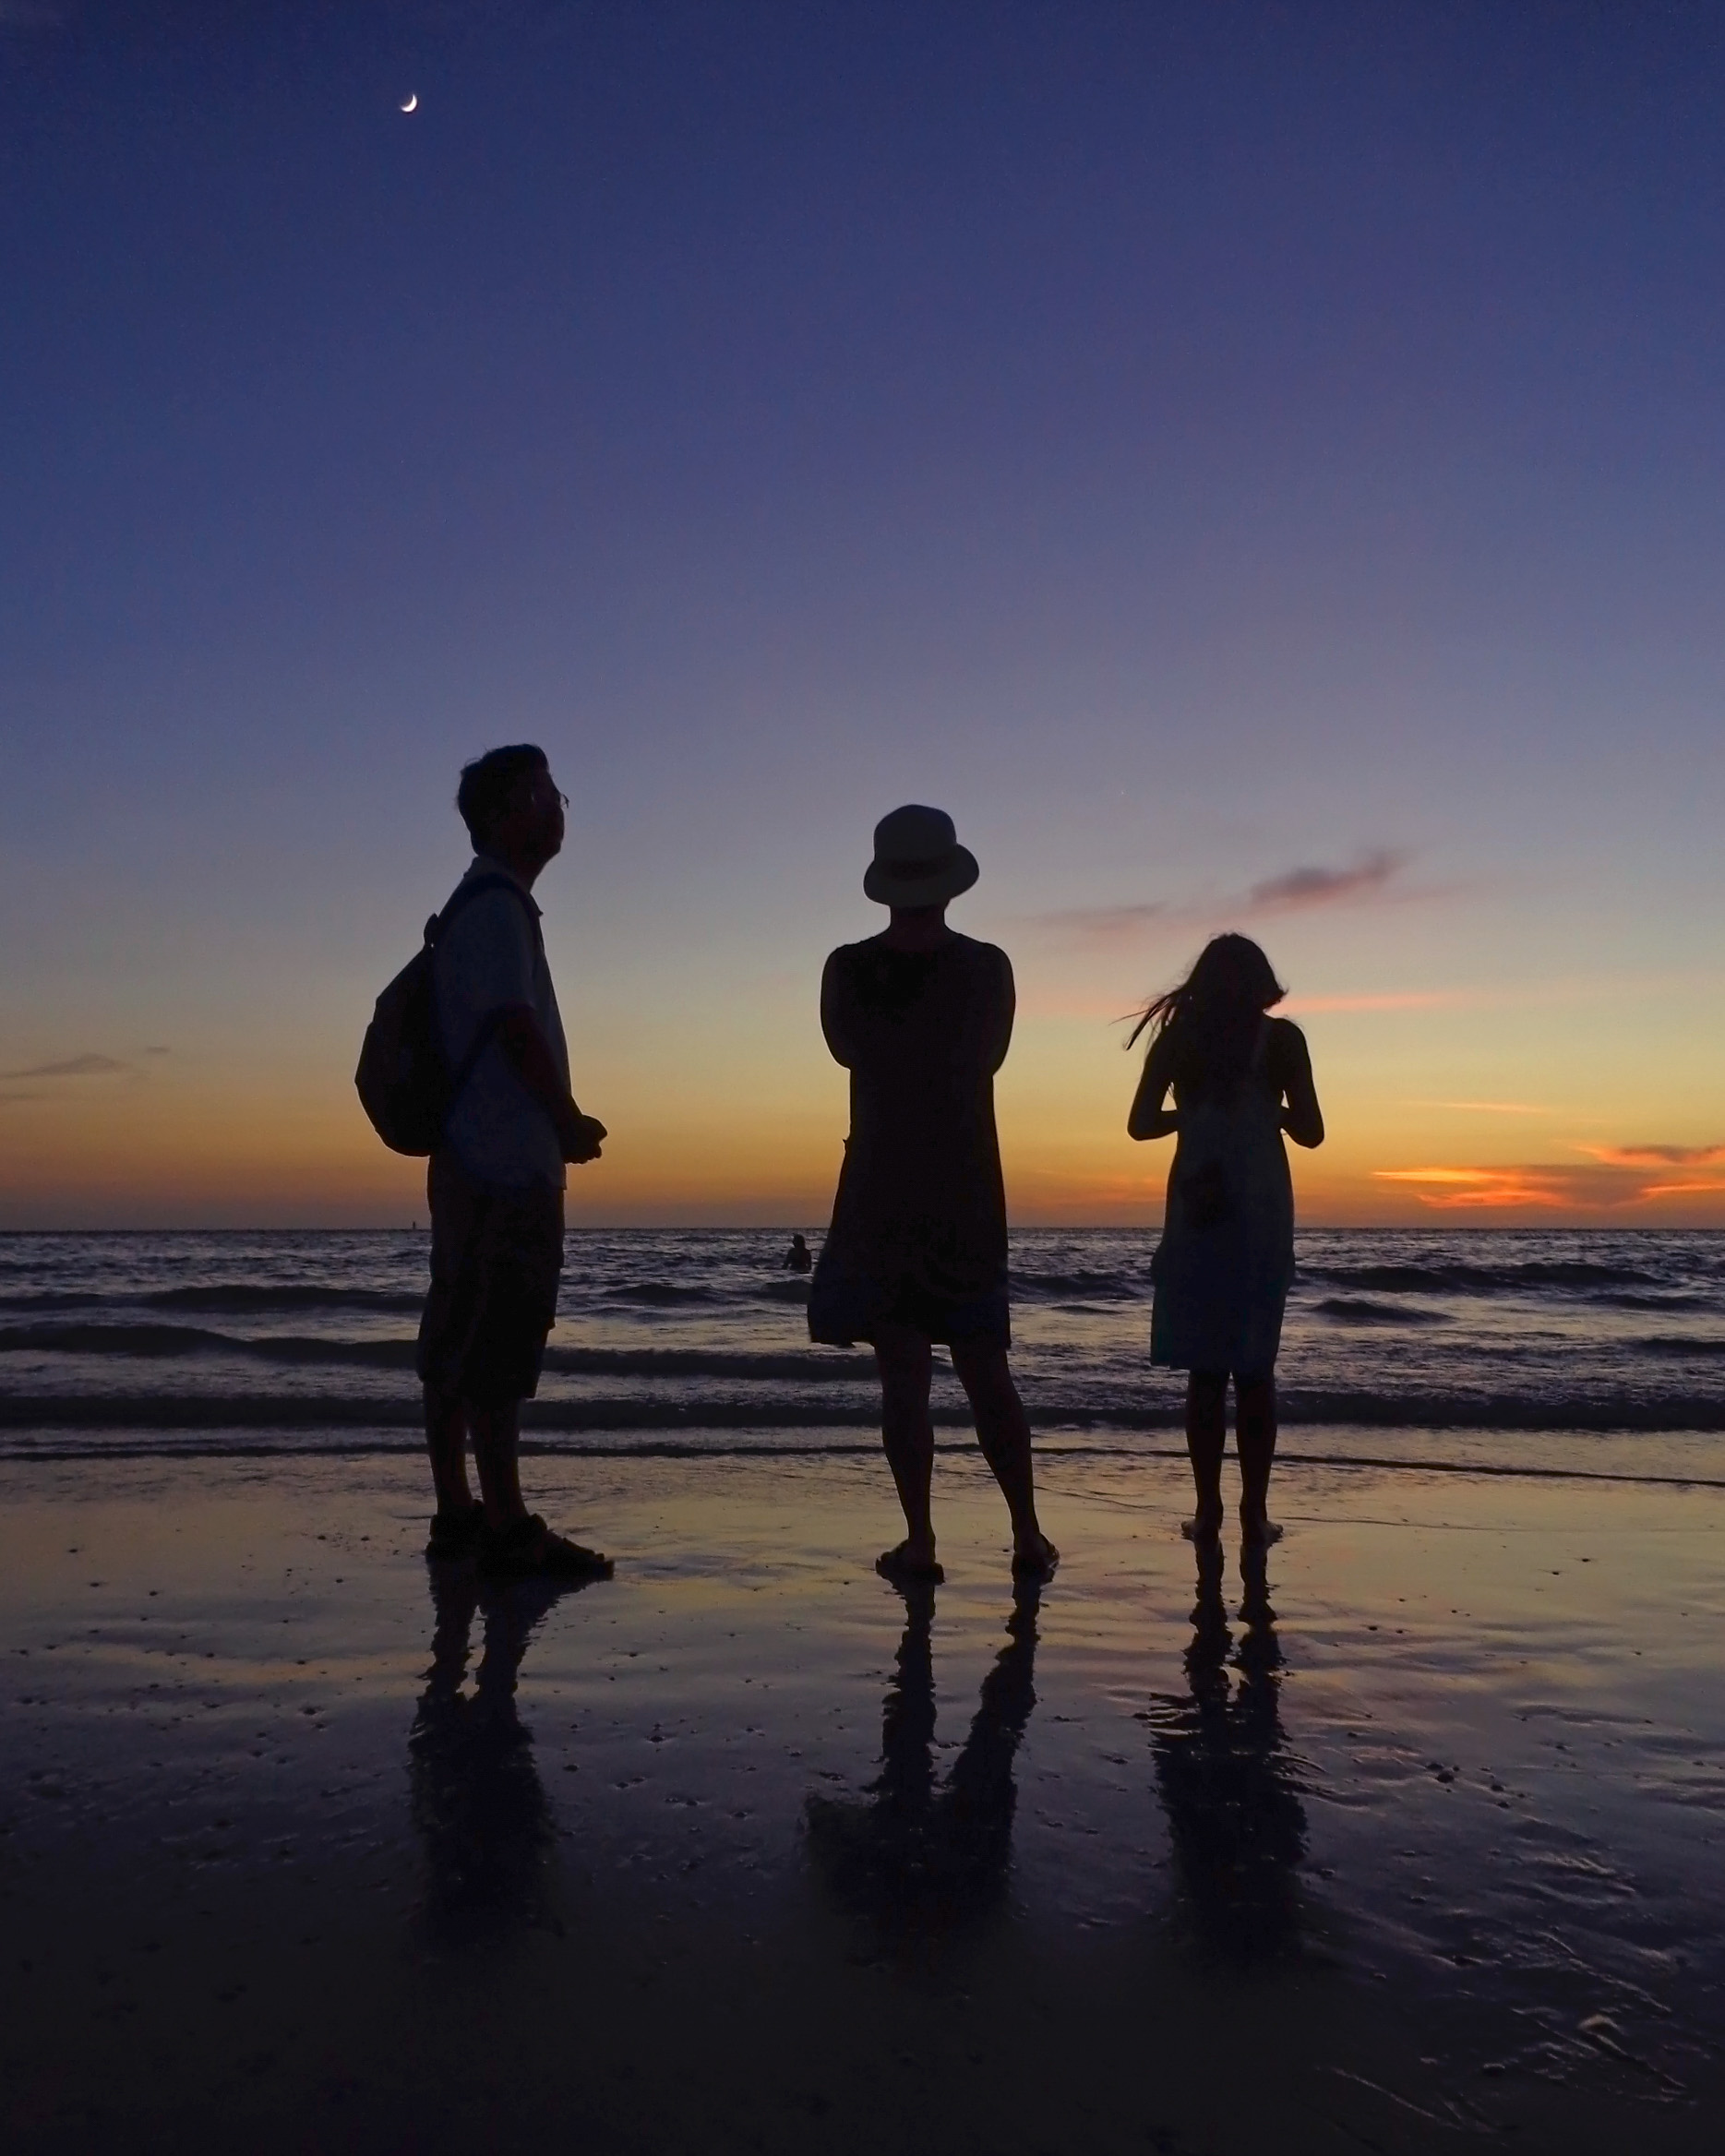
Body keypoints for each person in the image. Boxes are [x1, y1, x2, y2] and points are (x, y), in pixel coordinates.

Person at [809, 804, 1058, 1585]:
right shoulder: (987, 966)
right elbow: (991, 1057)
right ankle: (1025, 1534)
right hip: (964, 1180)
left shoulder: (847, 966)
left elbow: (844, 1049)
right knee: (987, 1368)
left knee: (902, 1375)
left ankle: (920, 1540)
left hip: (882, 1178)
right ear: (949, 880)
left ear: (885, 884)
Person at [415, 744, 613, 1578]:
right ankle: (503, 1524)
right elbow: (515, 1027)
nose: (557, 805)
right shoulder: (494, 906)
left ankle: (460, 1511)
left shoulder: (484, 905)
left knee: (459, 1332)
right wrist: (564, 1119)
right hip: (502, 1163)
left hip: (473, 1158)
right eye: (541, 793)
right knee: (497, 1339)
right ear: (503, 814)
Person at [1126, 933, 1324, 1548]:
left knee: (1206, 1370)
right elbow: (1313, 1132)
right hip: (1259, 1211)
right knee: (1255, 1367)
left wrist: (1194, 1115)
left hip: (1197, 1204)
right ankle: (1253, 1514)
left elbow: (1138, 1125)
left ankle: (1207, 1508)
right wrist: (1271, 1114)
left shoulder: (1178, 1041)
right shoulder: (1283, 1040)